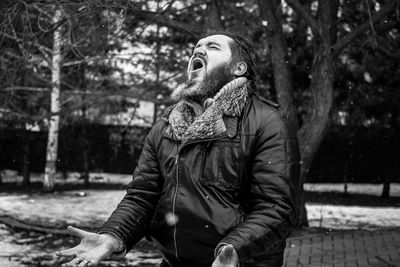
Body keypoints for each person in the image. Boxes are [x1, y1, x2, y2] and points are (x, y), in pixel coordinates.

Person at [57, 32, 299, 267]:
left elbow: (276, 208)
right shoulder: (166, 126)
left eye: (213, 47)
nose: (199, 49)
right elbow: (143, 197)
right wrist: (113, 235)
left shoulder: (267, 121)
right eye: (196, 47)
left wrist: (233, 249)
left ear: (238, 68)